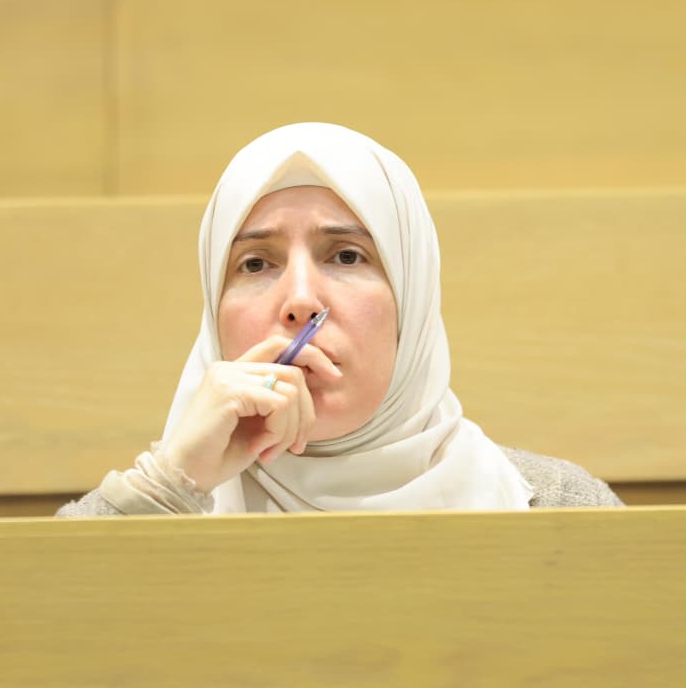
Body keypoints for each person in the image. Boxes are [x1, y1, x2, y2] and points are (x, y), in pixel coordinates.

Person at [58, 122, 621, 517]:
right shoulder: (146, 506)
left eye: (347, 257)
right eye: (255, 264)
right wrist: (168, 484)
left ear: (413, 301)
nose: (301, 300)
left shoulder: (559, 507)